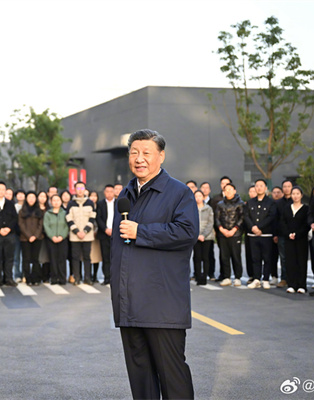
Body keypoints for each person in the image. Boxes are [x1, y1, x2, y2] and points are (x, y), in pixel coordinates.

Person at [112, 129, 196, 399]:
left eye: (146, 153)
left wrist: (142, 232)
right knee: (141, 378)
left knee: (172, 376)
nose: (139, 159)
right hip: (130, 303)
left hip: (162, 305)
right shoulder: (125, 195)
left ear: (161, 156)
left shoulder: (179, 193)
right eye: (134, 153)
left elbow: (187, 232)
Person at [245, 179, 277, 290]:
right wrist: (253, 227)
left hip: (266, 234)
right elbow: (246, 216)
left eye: (261, 186)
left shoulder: (271, 202)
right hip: (253, 235)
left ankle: (266, 279)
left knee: (267, 258)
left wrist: (259, 227)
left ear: (265, 188)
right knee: (255, 258)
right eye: (257, 186)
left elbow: (271, 216)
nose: (259, 188)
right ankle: (256, 279)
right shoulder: (250, 202)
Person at [66, 181, 96, 285]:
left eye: (82, 188)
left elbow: (92, 218)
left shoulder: (90, 203)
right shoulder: (71, 203)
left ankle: (87, 278)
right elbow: (69, 218)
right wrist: (77, 231)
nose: (80, 190)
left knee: (87, 257)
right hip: (75, 236)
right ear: (74, 190)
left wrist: (85, 231)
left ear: (85, 189)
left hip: (87, 235)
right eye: (78, 188)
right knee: (75, 257)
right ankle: (77, 277)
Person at [215, 183, 244, 286]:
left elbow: (242, 218)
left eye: (230, 189)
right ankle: (226, 277)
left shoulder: (240, 203)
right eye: (226, 190)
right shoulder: (220, 204)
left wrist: (234, 229)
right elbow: (217, 218)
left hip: (235, 234)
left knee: (236, 256)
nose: (228, 191)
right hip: (223, 234)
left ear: (234, 191)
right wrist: (221, 229)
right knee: (224, 256)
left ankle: (237, 277)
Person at [281, 186, 310, 294]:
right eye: (293, 194)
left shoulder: (306, 209)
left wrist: (297, 234)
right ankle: (291, 284)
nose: (295, 196)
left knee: (301, 261)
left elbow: (306, 224)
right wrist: (288, 233)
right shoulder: (286, 208)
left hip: (301, 239)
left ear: (301, 195)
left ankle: (302, 285)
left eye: (298, 194)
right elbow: (282, 222)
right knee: (290, 261)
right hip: (288, 239)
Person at [19, 191, 44, 285]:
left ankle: (35, 278)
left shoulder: (39, 211)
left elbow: (41, 225)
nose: (31, 199)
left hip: (38, 238)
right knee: (26, 258)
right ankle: (28, 278)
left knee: (35, 258)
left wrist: (35, 236)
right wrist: (29, 236)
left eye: (33, 197)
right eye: (29, 197)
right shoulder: (22, 211)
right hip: (25, 238)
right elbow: (21, 224)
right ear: (26, 199)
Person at [44, 194, 69, 285]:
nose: (56, 202)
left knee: (62, 258)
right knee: (53, 259)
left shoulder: (65, 213)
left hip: (63, 239)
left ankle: (62, 278)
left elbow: (67, 226)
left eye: (58, 200)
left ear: (61, 201)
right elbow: (46, 226)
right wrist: (52, 236)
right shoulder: (47, 214)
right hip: (51, 240)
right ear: (51, 202)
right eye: (54, 200)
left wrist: (62, 236)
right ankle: (54, 278)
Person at [273, 180, 293, 288]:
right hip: (281, 234)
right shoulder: (278, 203)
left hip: (294, 234)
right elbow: (275, 220)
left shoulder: (296, 201)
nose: (286, 188)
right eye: (284, 186)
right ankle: (284, 278)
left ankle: (294, 278)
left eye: (289, 186)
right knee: (283, 257)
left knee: (294, 257)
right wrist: (275, 234)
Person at [193, 190, 215, 286]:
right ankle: (198, 277)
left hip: (207, 237)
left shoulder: (208, 209)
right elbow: (191, 223)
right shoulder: (191, 209)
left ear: (203, 197)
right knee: (197, 257)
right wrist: (197, 235)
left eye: (199, 196)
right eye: (196, 196)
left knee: (206, 257)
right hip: (195, 237)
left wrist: (203, 235)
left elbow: (210, 223)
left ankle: (204, 277)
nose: (198, 198)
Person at [96, 184, 114, 285]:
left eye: (111, 191)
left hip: (116, 234)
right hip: (104, 234)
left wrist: (114, 230)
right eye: (107, 191)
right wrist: (105, 229)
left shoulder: (118, 203)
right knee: (105, 257)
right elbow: (98, 218)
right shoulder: (100, 204)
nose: (109, 194)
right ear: (104, 192)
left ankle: (114, 278)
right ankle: (107, 278)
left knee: (115, 257)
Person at [37, 190, 51, 283]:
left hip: (47, 236)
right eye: (40, 196)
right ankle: (38, 275)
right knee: (37, 257)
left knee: (46, 257)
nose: (42, 198)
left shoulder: (49, 210)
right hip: (37, 235)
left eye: (44, 197)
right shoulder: (34, 209)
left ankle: (46, 276)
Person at [88, 190, 103, 283]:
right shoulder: (87, 206)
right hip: (88, 234)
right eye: (91, 196)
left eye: (95, 196)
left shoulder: (100, 206)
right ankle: (88, 275)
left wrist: (97, 230)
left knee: (96, 256)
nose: (93, 198)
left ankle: (95, 275)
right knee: (88, 256)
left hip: (97, 235)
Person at [13, 189, 26, 282]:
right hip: (16, 235)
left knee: (25, 257)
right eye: (18, 194)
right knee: (16, 256)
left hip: (26, 235)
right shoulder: (13, 207)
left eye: (22, 194)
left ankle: (25, 274)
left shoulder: (27, 207)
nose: (20, 196)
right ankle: (17, 275)